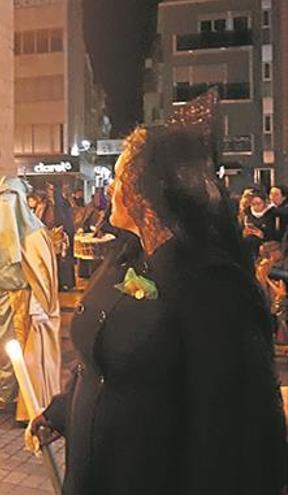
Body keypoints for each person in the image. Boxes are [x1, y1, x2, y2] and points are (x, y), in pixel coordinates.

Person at [30, 124, 288, 494]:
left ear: (144, 192)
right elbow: (100, 360)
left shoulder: (213, 288)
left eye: (119, 179)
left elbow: (233, 426)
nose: (112, 190)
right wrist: (60, 413)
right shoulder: (125, 259)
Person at [0, 177, 61, 422]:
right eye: (2, 196)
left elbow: (43, 274)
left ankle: (25, 406)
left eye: (12, 196)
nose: (6, 202)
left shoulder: (35, 233)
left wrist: (39, 304)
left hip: (19, 302)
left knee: (22, 354)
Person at [52, 182, 77, 291]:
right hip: (66, 233)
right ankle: (67, 282)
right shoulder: (64, 204)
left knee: (64, 260)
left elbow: (61, 220)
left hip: (62, 235)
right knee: (65, 260)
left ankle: (65, 283)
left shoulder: (59, 205)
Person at [243, 191, 276, 257]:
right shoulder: (248, 212)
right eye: (253, 204)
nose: (256, 207)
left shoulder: (272, 213)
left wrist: (262, 234)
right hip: (251, 238)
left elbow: (276, 233)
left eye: (258, 204)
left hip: (267, 240)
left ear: (264, 203)